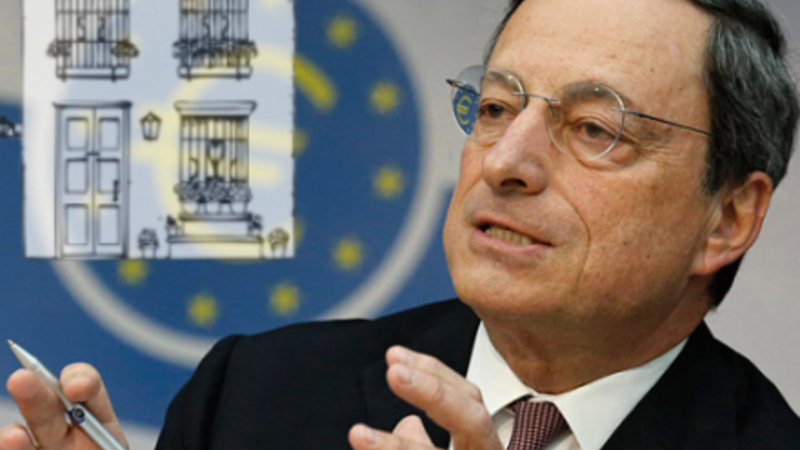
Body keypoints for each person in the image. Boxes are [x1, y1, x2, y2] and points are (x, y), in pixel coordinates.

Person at [3, 0, 800, 448]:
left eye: (595, 128)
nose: (505, 161)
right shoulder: (255, 398)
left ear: (728, 217)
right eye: (495, 107)